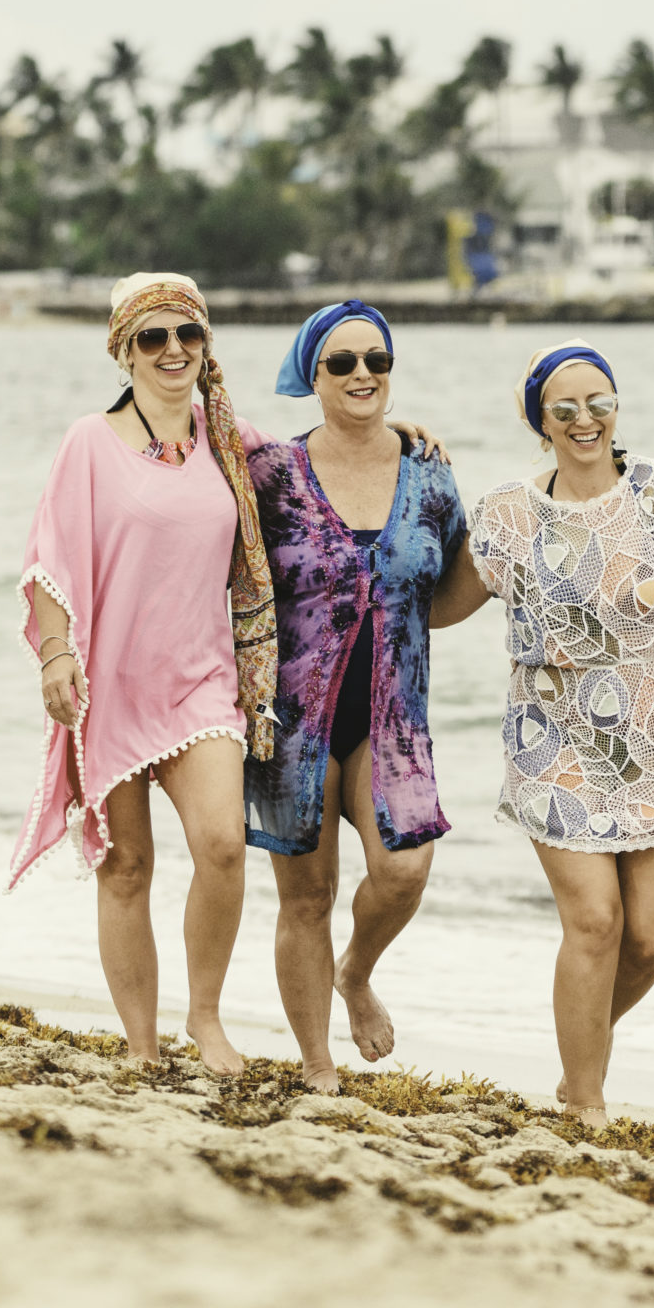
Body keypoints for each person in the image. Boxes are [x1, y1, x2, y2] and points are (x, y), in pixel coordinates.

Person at [14, 272, 281, 1076]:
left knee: (222, 845)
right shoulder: (88, 442)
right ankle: (140, 1043)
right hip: (111, 686)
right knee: (126, 865)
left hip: (203, 681)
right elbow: (48, 557)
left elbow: (316, 465)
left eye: (188, 335)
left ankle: (205, 1019)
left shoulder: (230, 439)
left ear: (205, 344)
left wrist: (390, 430)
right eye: (153, 338)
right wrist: (57, 654)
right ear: (123, 349)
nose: (173, 351)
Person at [245, 302, 488, 1093]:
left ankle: (357, 971)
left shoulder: (430, 470)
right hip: (296, 719)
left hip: (393, 720)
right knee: (306, 894)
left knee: (405, 871)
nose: (361, 376)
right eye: (342, 363)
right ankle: (317, 1064)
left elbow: (446, 595)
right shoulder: (271, 473)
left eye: (376, 362)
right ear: (313, 375)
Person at [468, 344, 654, 1123]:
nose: (584, 420)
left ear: (616, 406)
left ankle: (579, 1062)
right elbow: (438, 598)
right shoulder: (507, 514)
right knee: (596, 920)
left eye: (598, 402)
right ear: (540, 420)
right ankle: (588, 1102)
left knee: (646, 941)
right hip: (554, 738)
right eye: (564, 408)